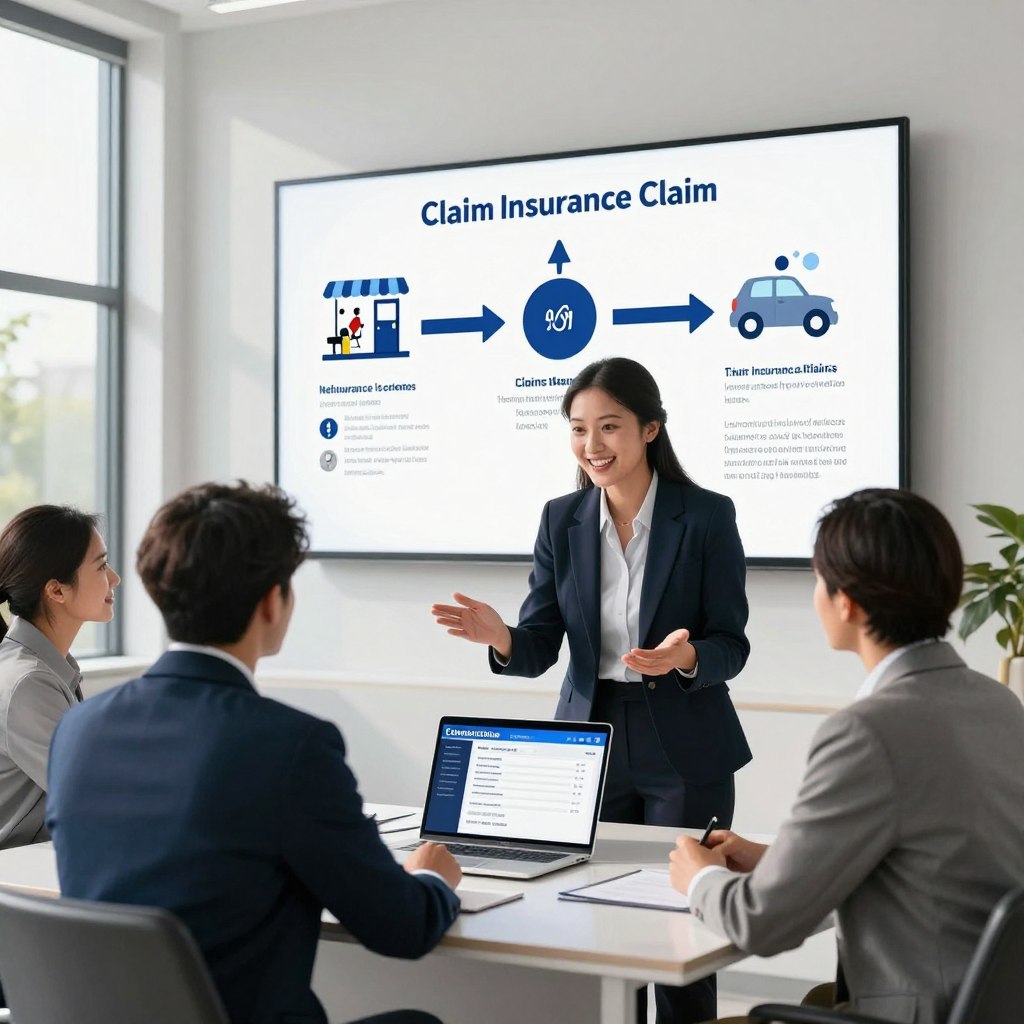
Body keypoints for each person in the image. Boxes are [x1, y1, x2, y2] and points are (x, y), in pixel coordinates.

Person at [47, 482, 461, 1024]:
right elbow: (403, 929)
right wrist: (432, 876)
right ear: (272, 600)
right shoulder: (290, 746)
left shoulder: (78, 728)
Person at [432, 357, 752, 1024]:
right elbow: (542, 642)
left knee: (682, 929)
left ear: (650, 430)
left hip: (684, 741)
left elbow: (732, 643)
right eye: (579, 429)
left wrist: (686, 655)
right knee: (594, 925)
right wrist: (503, 638)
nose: (592, 446)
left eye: (609, 427)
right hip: (587, 742)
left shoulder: (706, 518)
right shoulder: (562, 520)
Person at [670, 488, 1024, 1024]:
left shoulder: (868, 731)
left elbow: (761, 925)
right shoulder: (997, 702)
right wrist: (777, 861)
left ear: (846, 601)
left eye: (818, 578)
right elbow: (926, 866)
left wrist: (698, 877)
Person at [0, 504, 119, 849]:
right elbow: (96, 795)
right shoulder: (27, 682)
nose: (115, 578)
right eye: (101, 566)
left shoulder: (47, 667)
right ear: (56, 591)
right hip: (15, 882)